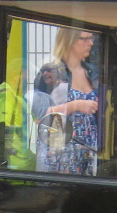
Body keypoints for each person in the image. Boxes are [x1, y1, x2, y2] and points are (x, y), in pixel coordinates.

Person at [39, 27, 100, 176]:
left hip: (88, 148)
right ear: (69, 41)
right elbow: (41, 115)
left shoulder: (91, 72)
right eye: (84, 38)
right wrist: (75, 105)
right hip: (62, 153)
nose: (90, 43)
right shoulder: (51, 72)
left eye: (91, 38)